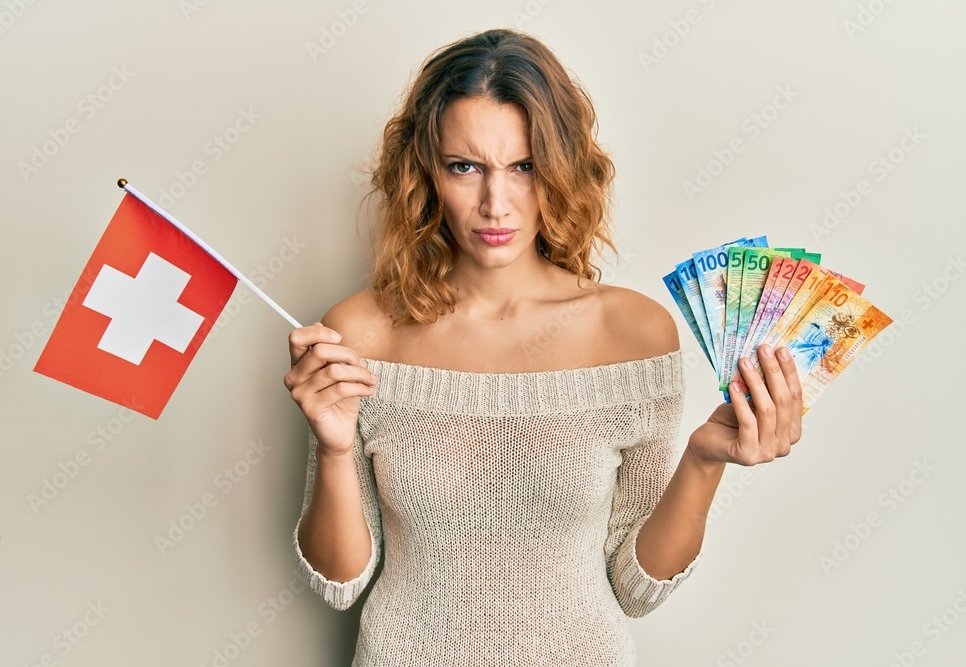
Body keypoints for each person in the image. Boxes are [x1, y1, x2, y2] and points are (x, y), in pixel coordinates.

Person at [283, 28, 803, 666]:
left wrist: (702, 459)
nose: (495, 204)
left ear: (559, 172)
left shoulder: (632, 334)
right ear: (427, 174)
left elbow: (635, 590)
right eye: (465, 167)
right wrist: (335, 449)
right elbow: (340, 584)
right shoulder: (362, 331)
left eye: (523, 166)